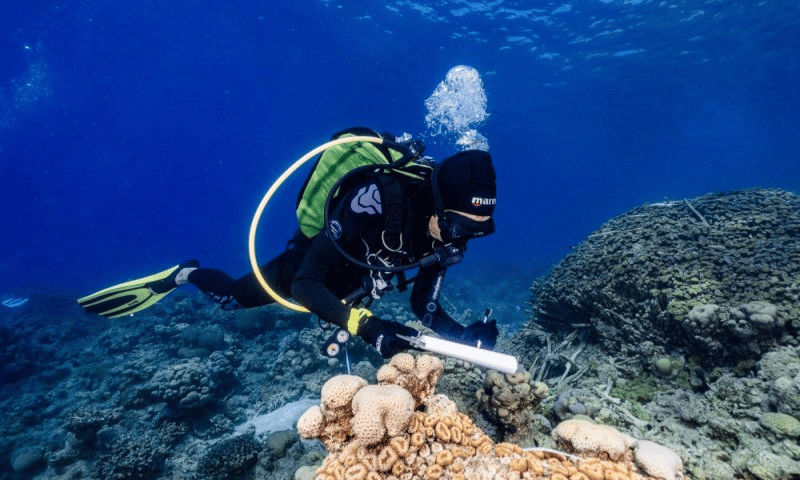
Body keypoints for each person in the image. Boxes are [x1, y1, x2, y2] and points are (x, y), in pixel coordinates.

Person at [79, 129, 499, 358]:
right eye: (457, 226)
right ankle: (184, 274)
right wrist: (367, 327)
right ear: (436, 202)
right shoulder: (375, 200)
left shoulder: (447, 233)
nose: (460, 241)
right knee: (230, 300)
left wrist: (464, 335)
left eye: (475, 231)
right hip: (318, 262)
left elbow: (423, 305)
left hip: (359, 278)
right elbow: (305, 284)